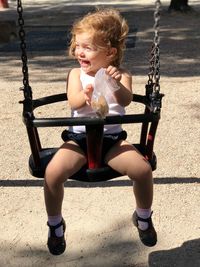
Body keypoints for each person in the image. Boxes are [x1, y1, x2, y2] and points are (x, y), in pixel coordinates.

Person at [44, 8, 157, 256]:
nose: (79, 51)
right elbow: (74, 102)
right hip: (79, 140)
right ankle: (55, 225)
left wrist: (115, 84)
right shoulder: (76, 74)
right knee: (52, 173)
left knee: (143, 170)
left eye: (87, 47)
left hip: (112, 140)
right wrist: (84, 97)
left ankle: (143, 217)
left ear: (110, 52)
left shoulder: (122, 74)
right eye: (77, 45)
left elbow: (126, 101)